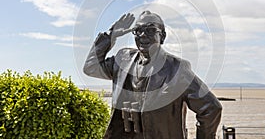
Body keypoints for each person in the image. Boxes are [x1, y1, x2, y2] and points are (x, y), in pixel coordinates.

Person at [83, 11, 222, 139]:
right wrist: (111, 35)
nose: (143, 35)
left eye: (150, 30)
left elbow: (210, 108)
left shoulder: (177, 69)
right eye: (138, 31)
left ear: (162, 36)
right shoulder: (122, 59)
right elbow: (91, 67)